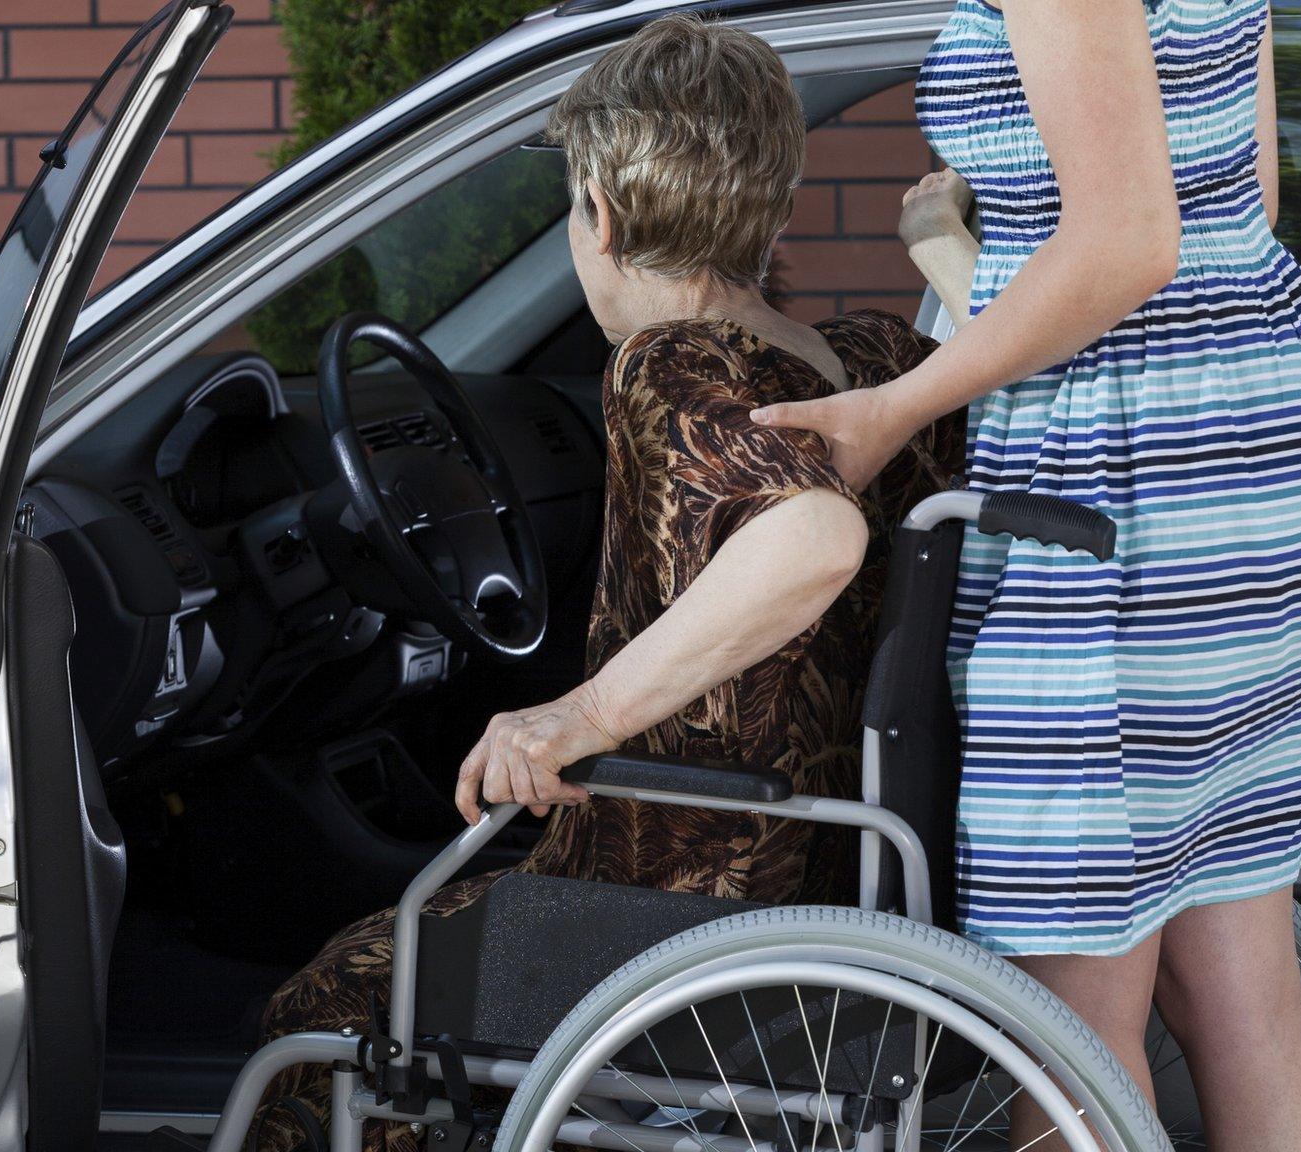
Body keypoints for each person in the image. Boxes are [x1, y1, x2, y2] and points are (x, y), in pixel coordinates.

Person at [250, 16, 961, 1151]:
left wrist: (575, 714)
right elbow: (999, 403)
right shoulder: (873, 364)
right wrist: (947, 263)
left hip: (677, 912)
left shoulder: (669, 363)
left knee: (328, 1007)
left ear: (603, 215)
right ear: (769, 204)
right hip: (823, 875)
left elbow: (814, 537)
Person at [751, 2, 1301, 1148]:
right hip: (1273, 448)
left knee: (1067, 1028)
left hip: (1129, 497)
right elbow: (1230, 202)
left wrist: (887, 411)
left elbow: (1125, 246)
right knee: (1231, 982)